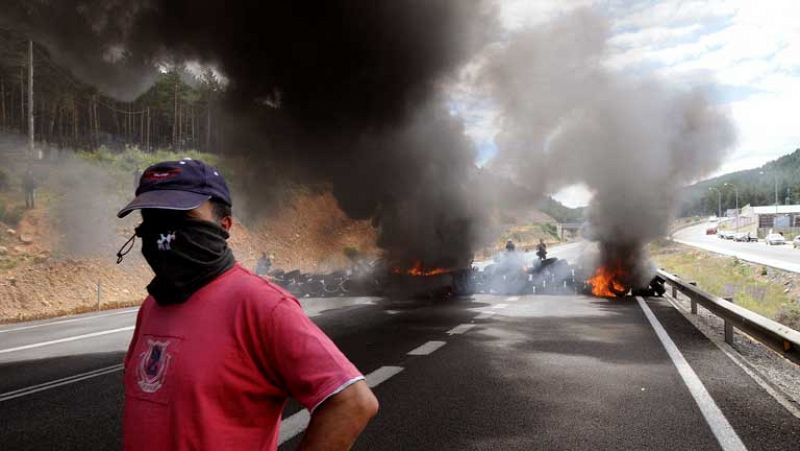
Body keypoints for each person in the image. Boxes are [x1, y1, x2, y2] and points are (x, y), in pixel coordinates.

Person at [116, 159, 378, 450]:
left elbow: (352, 402)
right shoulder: (153, 304)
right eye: (152, 217)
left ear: (224, 224)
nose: (162, 230)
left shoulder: (263, 305)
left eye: (180, 214)